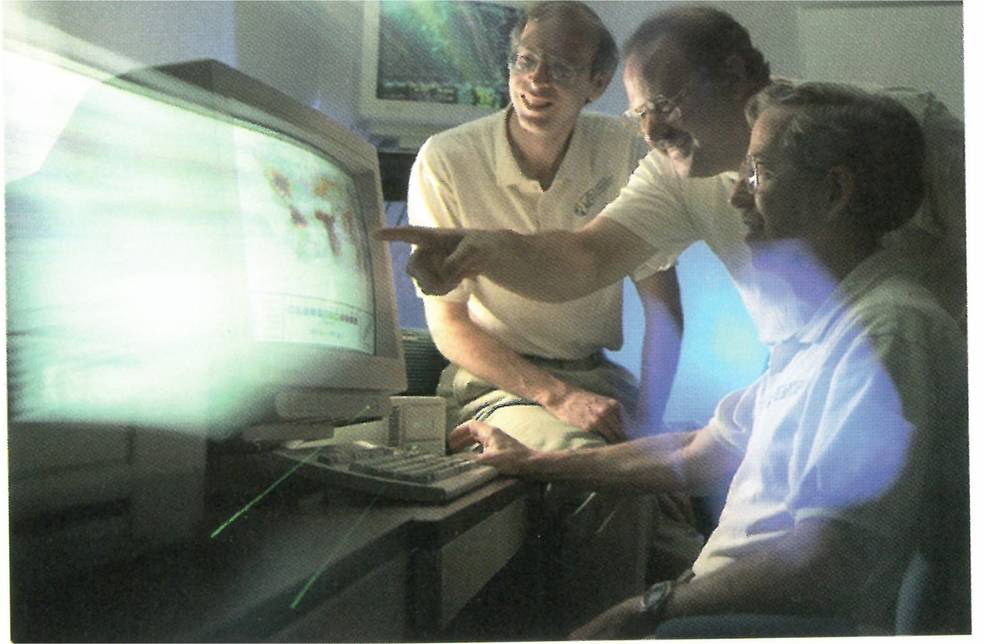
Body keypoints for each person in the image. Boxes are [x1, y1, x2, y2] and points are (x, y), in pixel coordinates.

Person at [449, 82, 968, 637]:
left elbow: (828, 563)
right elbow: (698, 450)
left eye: (759, 175)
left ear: (834, 191)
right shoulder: (825, 326)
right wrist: (532, 462)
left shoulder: (887, 332)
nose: (738, 198)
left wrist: (648, 608)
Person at [378, 6, 965, 342]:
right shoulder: (673, 174)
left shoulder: (902, 125)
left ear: (736, 74)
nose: (652, 132)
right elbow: (583, 260)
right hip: (819, 395)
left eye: (666, 103)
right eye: (640, 114)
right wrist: (480, 249)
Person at [406, 1, 684, 453]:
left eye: (563, 68)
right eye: (526, 61)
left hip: (599, 375)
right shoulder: (447, 160)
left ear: (597, 83)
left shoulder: (625, 151)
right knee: (591, 463)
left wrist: (651, 420)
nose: (538, 80)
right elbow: (448, 323)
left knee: (672, 473)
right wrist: (558, 396)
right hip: (497, 382)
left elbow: (663, 308)